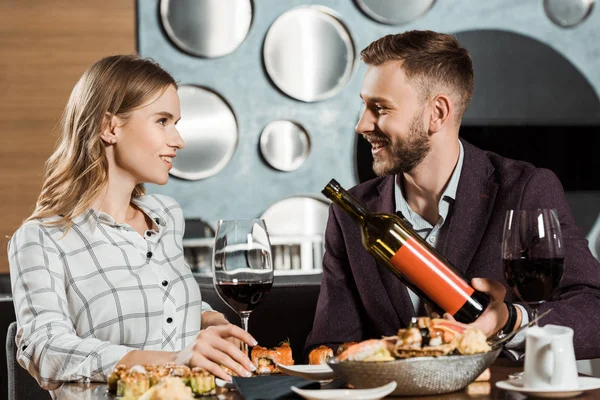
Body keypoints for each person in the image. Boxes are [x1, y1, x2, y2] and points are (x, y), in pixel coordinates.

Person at [305, 30, 600, 359]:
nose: (362, 125)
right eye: (364, 106)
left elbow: (593, 310)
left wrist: (511, 320)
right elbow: (329, 347)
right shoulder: (350, 215)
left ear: (438, 114)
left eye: (380, 108)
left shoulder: (524, 189)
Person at [8, 55, 257, 393]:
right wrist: (174, 361)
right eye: (162, 121)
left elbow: (161, 298)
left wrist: (208, 318)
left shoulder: (166, 217)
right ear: (110, 127)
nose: (178, 140)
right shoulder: (41, 239)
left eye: (176, 122)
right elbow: (45, 350)